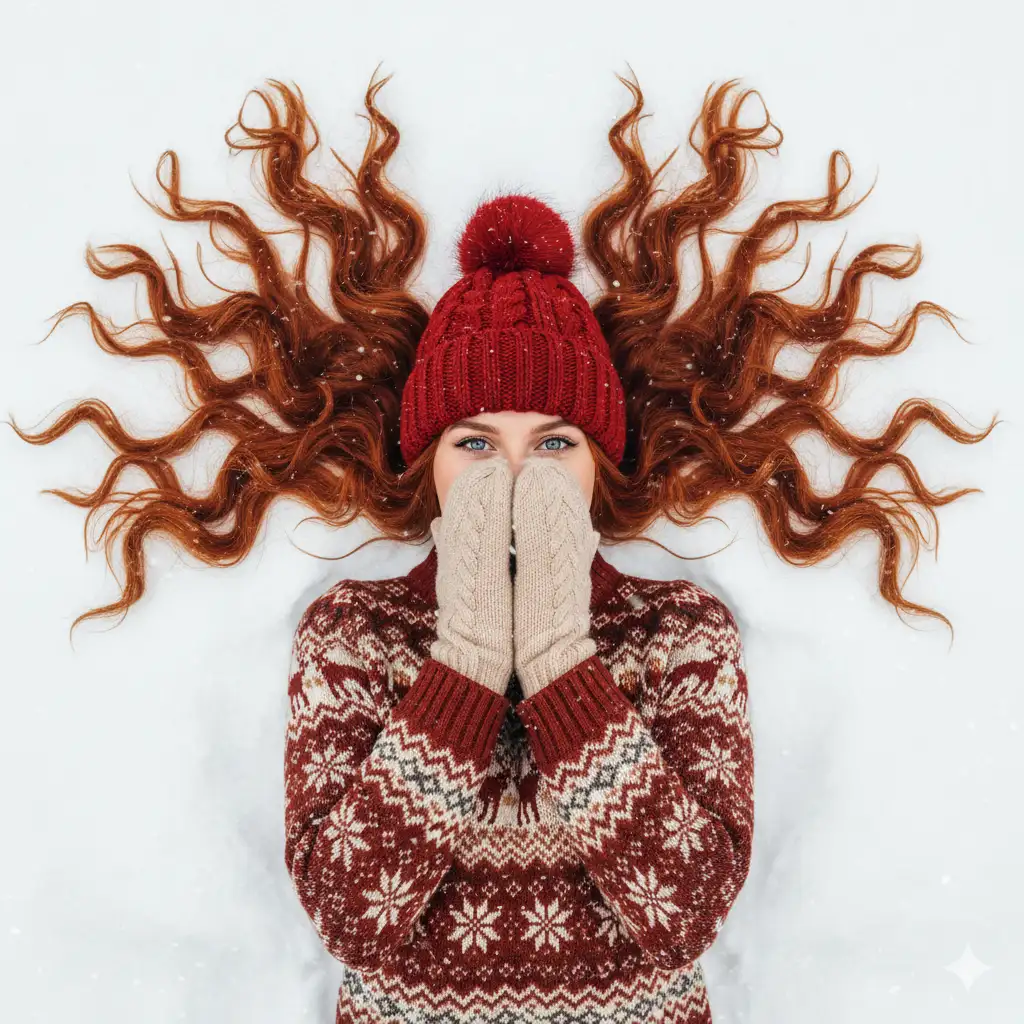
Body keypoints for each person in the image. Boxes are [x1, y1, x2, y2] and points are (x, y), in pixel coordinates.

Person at [11, 70, 996, 1021]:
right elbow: (354, 917)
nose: (516, 477)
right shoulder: (356, 634)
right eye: (476, 443)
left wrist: (565, 660)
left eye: (552, 443)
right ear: (427, 462)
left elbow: (685, 910)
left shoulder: (677, 631)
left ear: (598, 461)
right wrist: (471, 659)